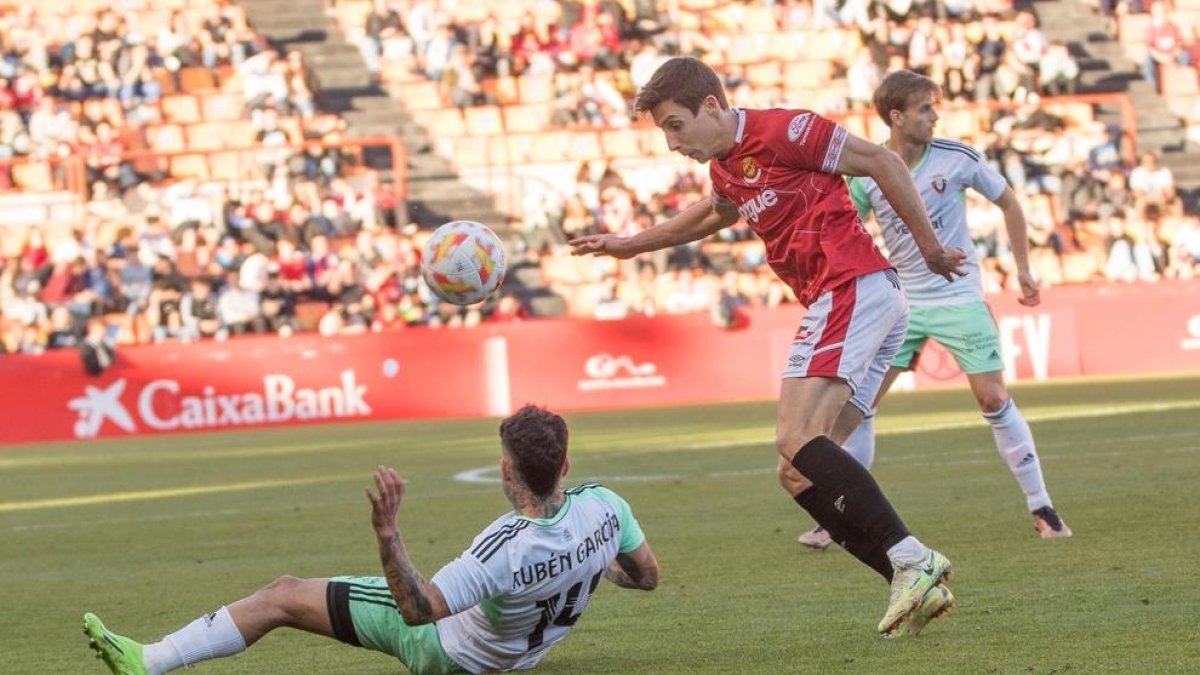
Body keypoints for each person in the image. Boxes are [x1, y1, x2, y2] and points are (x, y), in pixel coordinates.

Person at [568, 57, 965, 636]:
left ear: (711, 105)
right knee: (798, 471)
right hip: (858, 301)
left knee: (792, 435)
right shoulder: (728, 170)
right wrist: (629, 245)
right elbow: (709, 215)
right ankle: (910, 578)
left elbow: (880, 160)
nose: (673, 143)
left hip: (851, 287)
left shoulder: (785, 130)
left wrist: (928, 245)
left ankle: (912, 557)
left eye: (676, 125)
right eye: (664, 133)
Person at [84, 405, 659, 674]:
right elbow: (646, 577)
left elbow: (418, 611)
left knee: (284, 594)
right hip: (523, 654)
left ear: (507, 473)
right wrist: (597, 560)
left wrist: (389, 536)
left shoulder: (503, 546)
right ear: (567, 465)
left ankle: (151, 661)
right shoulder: (606, 509)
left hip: (451, 652)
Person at [797, 70, 1072, 552]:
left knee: (991, 398)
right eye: (925, 108)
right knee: (858, 407)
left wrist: (1023, 268)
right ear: (897, 116)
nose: (935, 115)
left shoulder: (957, 158)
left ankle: (1041, 505)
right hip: (900, 301)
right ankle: (834, 513)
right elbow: (848, 226)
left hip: (958, 296)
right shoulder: (872, 170)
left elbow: (1009, 203)